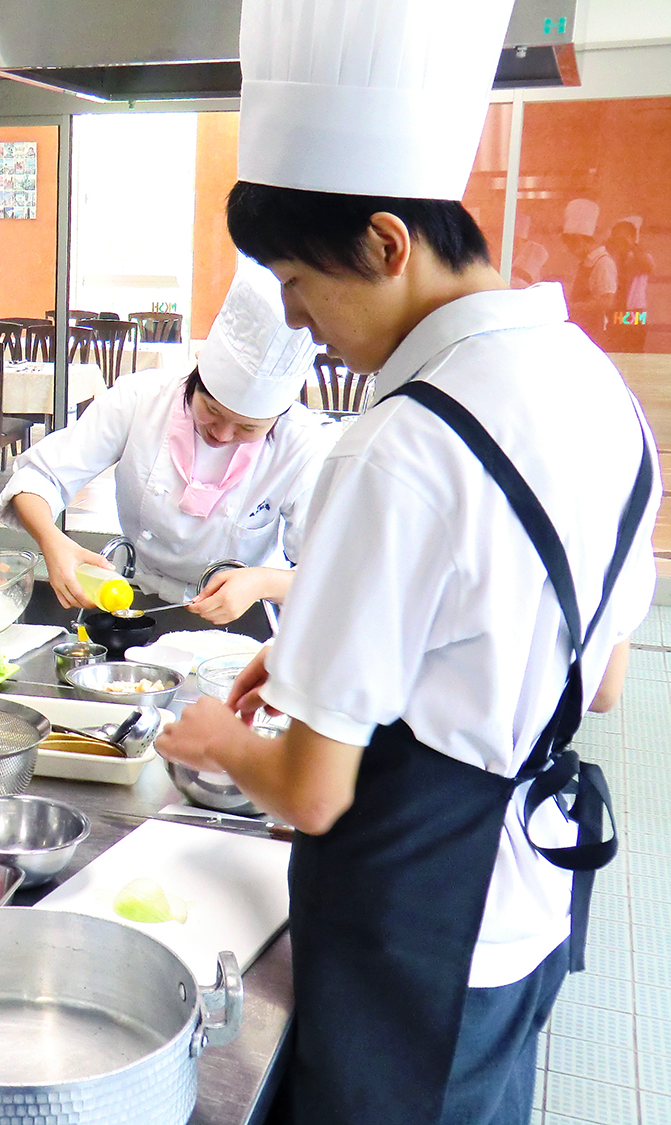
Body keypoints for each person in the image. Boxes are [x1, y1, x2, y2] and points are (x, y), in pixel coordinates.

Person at [157, 0, 659, 1122]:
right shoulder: (596, 389)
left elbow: (313, 793)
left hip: (413, 923)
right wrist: (326, 677)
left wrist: (219, 739)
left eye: (298, 282)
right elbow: (602, 676)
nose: (297, 320)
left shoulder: (397, 443)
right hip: (526, 897)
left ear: (388, 244)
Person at [0, 258, 336, 624]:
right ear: (195, 379)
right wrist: (53, 541)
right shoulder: (141, 398)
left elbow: (329, 575)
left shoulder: (303, 445)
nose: (222, 435)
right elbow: (37, 479)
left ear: (277, 418)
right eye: (211, 410)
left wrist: (262, 581)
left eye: (247, 428)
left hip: (241, 613)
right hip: (135, 600)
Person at [562, 197, 618, 348]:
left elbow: (607, 301)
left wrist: (573, 307)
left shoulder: (603, 262)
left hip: (594, 333)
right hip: (580, 330)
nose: (569, 248)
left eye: (571, 242)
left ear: (582, 239)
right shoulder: (584, 263)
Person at [605, 215, 654, 353]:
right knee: (613, 347)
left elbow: (648, 267)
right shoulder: (610, 257)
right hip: (614, 311)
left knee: (634, 347)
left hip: (635, 312)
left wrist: (631, 246)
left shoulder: (642, 257)